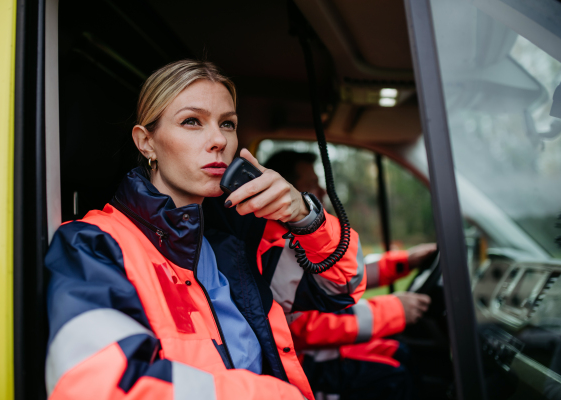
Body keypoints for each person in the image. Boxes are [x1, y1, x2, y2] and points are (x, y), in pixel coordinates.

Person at [44, 60, 367, 400]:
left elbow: (343, 286)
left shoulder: (245, 234)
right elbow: (95, 385)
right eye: (192, 121)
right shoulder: (93, 245)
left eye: (227, 124)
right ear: (146, 143)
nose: (218, 140)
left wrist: (305, 217)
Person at [265, 150, 436, 400]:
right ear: (285, 189)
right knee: (395, 376)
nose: (322, 192)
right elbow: (301, 326)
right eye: (311, 184)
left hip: (319, 352)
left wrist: (405, 262)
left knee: (400, 351)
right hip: (301, 363)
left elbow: (340, 277)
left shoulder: (296, 235)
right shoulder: (273, 245)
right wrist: (394, 311)